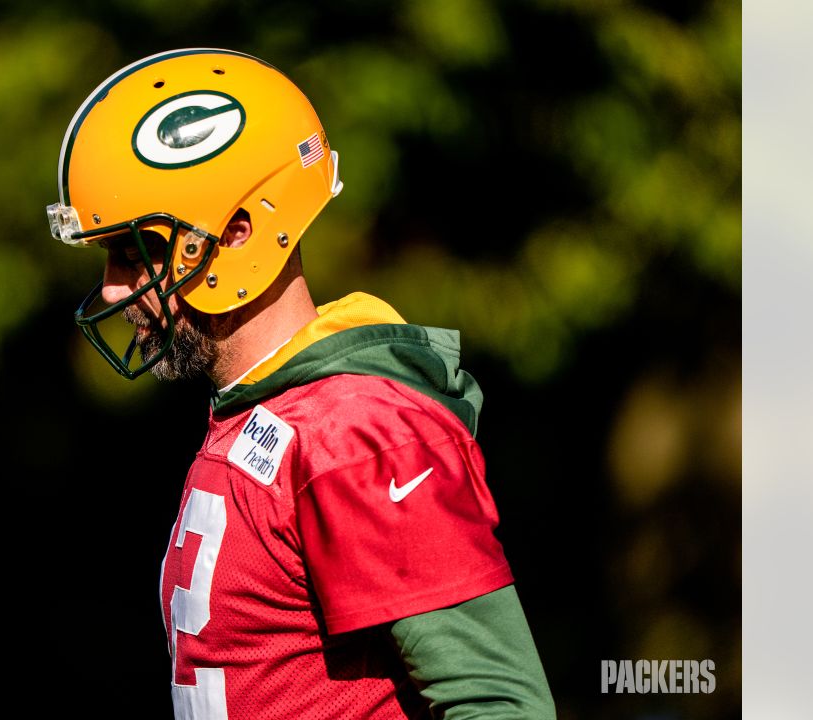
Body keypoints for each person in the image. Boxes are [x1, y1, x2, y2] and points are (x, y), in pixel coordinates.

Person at [46, 48, 556, 720]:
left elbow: (498, 703)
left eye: (134, 251)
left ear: (236, 235)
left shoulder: (355, 433)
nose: (113, 286)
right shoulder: (260, 413)